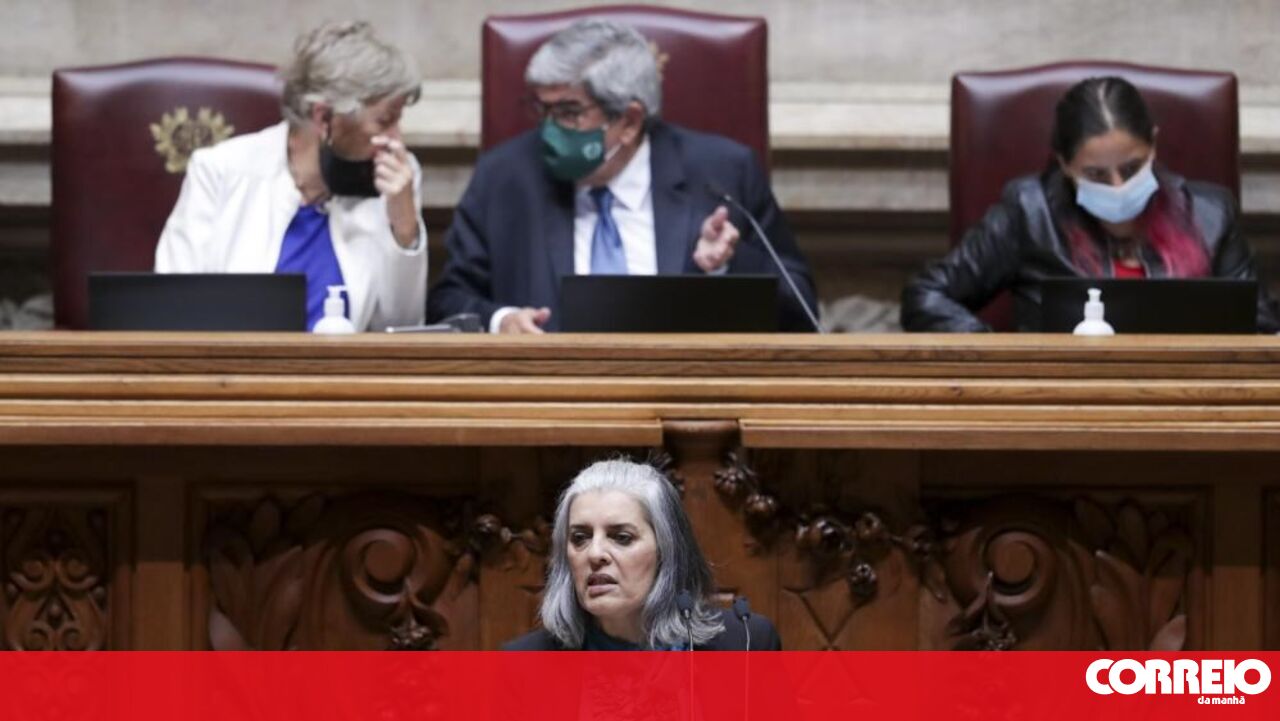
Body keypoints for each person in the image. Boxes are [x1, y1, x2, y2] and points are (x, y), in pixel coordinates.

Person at [427, 19, 817, 333]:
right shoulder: (505, 177)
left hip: (684, 393)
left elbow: (801, 310)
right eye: (542, 110)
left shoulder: (723, 174)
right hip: (549, 395)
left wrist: (729, 265)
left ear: (629, 121)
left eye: (568, 113)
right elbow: (446, 302)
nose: (548, 131)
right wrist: (502, 321)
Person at [901, 76, 1279, 333]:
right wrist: (1002, 357)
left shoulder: (1211, 214)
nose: (1118, 186)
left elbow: (1260, 329)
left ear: (1153, 145)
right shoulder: (1029, 212)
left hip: (1188, 405)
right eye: (1096, 174)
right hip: (1061, 406)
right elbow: (926, 295)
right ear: (1065, 164)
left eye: (1131, 168)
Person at [155, 21, 427, 332]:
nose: (396, 138)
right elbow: (172, 309)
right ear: (323, 117)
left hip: (344, 363)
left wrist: (404, 228)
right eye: (384, 121)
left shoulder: (395, 178)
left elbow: (402, 327)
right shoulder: (221, 170)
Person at [504, 459, 780, 650]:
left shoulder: (747, 644)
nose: (595, 554)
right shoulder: (522, 666)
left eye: (621, 538)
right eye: (580, 538)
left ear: (666, 551)